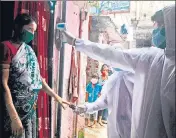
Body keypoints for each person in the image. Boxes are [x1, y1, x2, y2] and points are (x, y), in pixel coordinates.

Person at [62, 5, 175, 138]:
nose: (155, 30)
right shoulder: (151, 59)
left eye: (160, 25)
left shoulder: (139, 71)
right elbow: (109, 56)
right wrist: (76, 42)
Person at [0, 13, 70, 138]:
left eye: (34, 31)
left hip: (30, 110)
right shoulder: (6, 47)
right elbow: (3, 84)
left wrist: (56, 96)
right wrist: (14, 118)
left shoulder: (29, 50)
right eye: (29, 29)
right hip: (14, 112)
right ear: (18, 27)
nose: (32, 33)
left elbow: (37, 79)